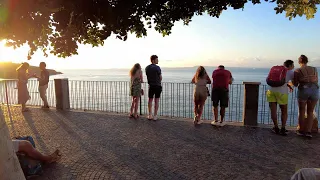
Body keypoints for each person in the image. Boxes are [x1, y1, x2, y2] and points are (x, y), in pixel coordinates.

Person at [266, 60, 295, 135]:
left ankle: (276, 127)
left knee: (273, 110)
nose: (294, 66)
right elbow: (294, 83)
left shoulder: (276, 69)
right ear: (290, 65)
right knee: (284, 111)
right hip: (282, 92)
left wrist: (287, 84)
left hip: (270, 91)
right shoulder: (291, 72)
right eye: (293, 65)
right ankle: (283, 128)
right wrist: (288, 84)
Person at [293, 55, 319, 138]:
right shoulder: (314, 69)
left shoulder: (298, 70)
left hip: (304, 90)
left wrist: (290, 84)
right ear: (307, 61)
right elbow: (316, 80)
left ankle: (300, 130)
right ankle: (308, 132)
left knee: (301, 111)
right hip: (314, 90)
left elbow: (296, 84)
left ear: (299, 62)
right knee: (310, 111)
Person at [145, 55, 162, 121]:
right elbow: (160, 77)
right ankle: (155, 116)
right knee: (156, 100)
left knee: (150, 100)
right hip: (157, 85)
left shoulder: (147, 68)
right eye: (157, 59)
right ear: (153, 60)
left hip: (151, 86)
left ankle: (150, 115)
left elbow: (148, 76)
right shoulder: (157, 68)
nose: (158, 61)